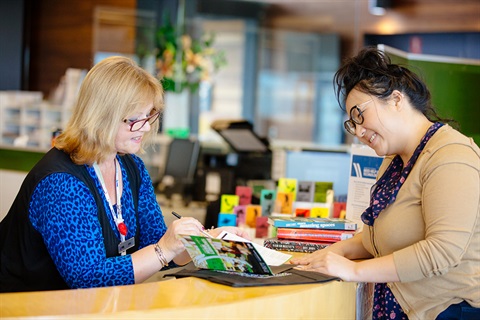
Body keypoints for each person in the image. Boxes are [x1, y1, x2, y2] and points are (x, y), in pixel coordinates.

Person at [0, 56, 249, 292]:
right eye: (134, 119)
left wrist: (206, 243)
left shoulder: (132, 168)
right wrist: (164, 249)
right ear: (102, 117)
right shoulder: (61, 182)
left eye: (149, 115)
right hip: (24, 305)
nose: (145, 127)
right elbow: (88, 277)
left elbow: (155, 246)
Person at [291, 47, 479, 320]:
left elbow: (441, 252)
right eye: (351, 124)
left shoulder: (451, 155)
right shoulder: (395, 159)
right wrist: (325, 255)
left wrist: (352, 270)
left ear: (396, 100)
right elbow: (375, 239)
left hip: (448, 310)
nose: (358, 132)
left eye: (360, 115)